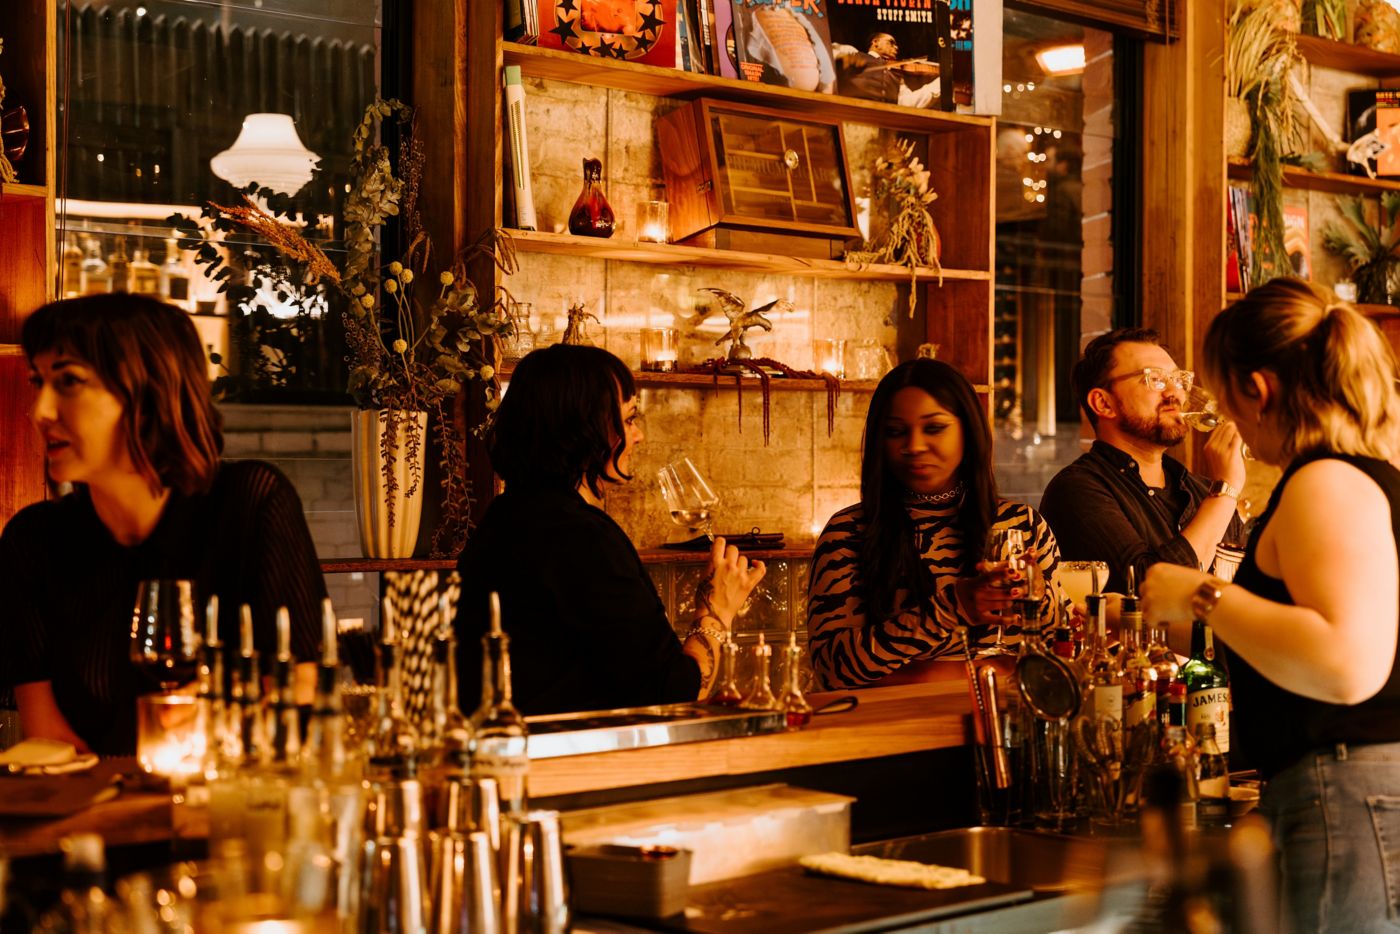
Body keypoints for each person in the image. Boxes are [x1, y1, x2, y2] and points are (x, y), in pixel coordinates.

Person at [1142, 279, 1400, 933]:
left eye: (1222, 392)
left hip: (1348, 790)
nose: (1223, 413)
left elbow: (1346, 665)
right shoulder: (1369, 478)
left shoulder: (1326, 482)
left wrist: (1200, 594)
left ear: (1257, 389)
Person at [0, 294, 326, 756]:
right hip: (93, 818)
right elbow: (48, 739)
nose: (40, 411)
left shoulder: (251, 503)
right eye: (38, 383)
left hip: (238, 805)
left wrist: (225, 715)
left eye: (68, 381)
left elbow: (302, 686)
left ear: (147, 394)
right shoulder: (32, 541)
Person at [454, 343, 765, 715]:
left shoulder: (504, 517)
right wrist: (716, 610)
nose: (638, 436)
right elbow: (673, 694)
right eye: (630, 419)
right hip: (573, 765)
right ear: (586, 427)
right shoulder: (580, 538)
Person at [807, 359, 1068, 689]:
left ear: (968, 431)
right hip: (895, 735)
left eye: (934, 428)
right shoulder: (848, 533)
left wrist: (1038, 597)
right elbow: (833, 671)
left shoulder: (1022, 525)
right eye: (895, 431)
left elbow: (1063, 649)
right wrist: (954, 609)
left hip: (1011, 730)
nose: (913, 446)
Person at [1039, 327, 1246, 594]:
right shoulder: (1077, 489)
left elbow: (1248, 594)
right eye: (1156, 380)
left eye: (1179, 379)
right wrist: (1226, 489)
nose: (1176, 393)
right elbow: (1144, 592)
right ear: (1103, 403)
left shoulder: (1202, 490)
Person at [833, 33, 940, 109]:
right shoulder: (853, 53)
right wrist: (843, 56)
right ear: (875, 43)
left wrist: (939, 83)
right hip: (854, 113)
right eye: (891, 43)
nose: (896, 47)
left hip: (885, 121)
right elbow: (830, 51)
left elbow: (908, 103)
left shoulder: (896, 75)